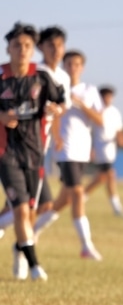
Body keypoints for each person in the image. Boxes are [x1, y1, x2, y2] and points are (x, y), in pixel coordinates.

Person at [0, 22, 65, 280]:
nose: (23, 50)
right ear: (8, 48)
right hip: (5, 153)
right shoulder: (1, 76)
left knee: (32, 210)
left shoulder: (41, 77)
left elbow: (60, 102)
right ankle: (35, 266)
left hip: (35, 153)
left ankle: (20, 251)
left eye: (27, 45)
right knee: (20, 211)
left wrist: (56, 110)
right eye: (18, 45)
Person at [44, 49, 104, 260]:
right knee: (78, 193)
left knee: (63, 199)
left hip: (81, 150)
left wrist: (81, 104)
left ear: (82, 67)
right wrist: (56, 136)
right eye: (69, 64)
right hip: (64, 149)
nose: (73, 68)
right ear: (63, 65)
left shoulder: (89, 90)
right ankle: (86, 246)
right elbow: (51, 114)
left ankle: (31, 232)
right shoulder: (57, 86)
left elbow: (100, 120)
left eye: (77, 64)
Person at [84, 85, 123, 217]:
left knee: (102, 178)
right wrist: (90, 148)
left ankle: (81, 197)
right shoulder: (95, 111)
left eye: (110, 97)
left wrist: (121, 138)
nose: (108, 99)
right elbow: (88, 130)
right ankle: (116, 207)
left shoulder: (114, 112)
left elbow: (119, 129)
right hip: (99, 149)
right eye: (106, 96)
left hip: (110, 149)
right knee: (110, 175)